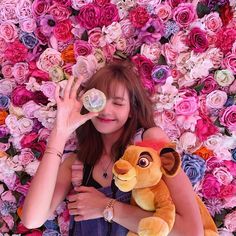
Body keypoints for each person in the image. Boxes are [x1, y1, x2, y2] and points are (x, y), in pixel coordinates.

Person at [21, 61, 204, 235]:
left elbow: (190, 231)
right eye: (98, 100)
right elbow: (32, 219)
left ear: (132, 109)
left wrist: (106, 207)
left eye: (117, 103)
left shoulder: (149, 147)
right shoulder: (75, 165)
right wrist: (60, 132)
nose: (106, 111)